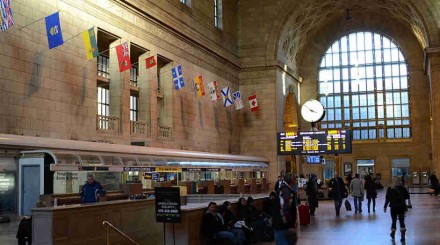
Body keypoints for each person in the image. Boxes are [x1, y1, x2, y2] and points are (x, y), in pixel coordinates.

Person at [384, 178, 409, 242]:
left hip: (393, 207)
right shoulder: (402, 188)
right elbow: (407, 196)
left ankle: (393, 234)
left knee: (394, 220)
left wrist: (385, 207)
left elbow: (387, 198)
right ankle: (402, 236)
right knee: (401, 221)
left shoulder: (390, 188)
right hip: (401, 206)